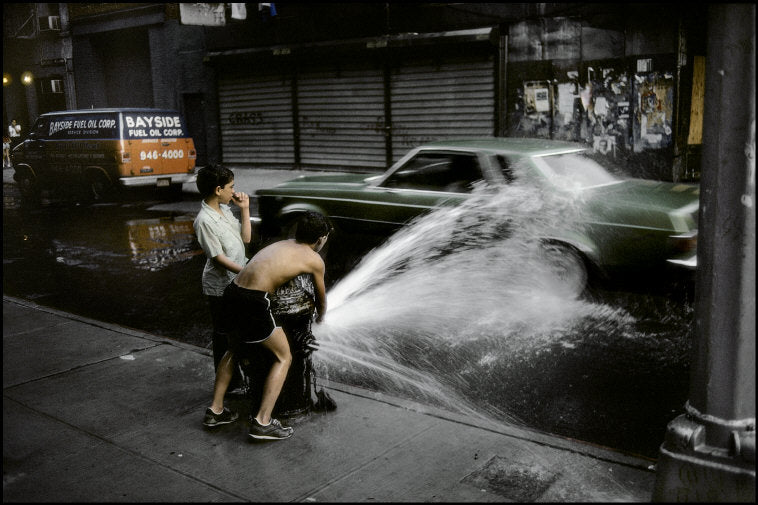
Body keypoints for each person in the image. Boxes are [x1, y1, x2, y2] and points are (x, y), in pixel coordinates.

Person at [202, 211, 332, 441]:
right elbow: (321, 298)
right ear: (321, 238)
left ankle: (216, 410)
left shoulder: (284, 244)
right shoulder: (314, 260)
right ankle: (263, 422)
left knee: (234, 349)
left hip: (232, 292)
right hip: (253, 301)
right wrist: (321, 318)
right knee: (284, 357)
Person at [193, 164, 251, 389]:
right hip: (221, 286)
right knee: (225, 337)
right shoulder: (204, 221)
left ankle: (239, 378)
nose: (234, 192)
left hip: (237, 280)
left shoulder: (225, 210)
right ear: (218, 189)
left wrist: (245, 209)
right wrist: (247, 272)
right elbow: (218, 258)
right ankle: (230, 385)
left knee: (239, 333)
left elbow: (245, 240)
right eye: (231, 187)